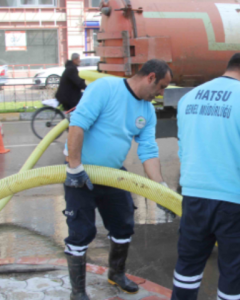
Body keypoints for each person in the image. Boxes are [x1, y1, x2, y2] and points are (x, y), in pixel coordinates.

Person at [171, 53, 240, 300]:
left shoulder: (188, 98)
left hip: (193, 198)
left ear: (229, 68)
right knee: (234, 279)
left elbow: (184, 148)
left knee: (187, 272)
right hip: (235, 203)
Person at [63, 59, 172, 300]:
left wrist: (160, 189)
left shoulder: (147, 111)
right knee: (81, 231)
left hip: (113, 174)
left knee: (123, 223)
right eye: (162, 87)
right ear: (151, 77)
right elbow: (78, 124)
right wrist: (74, 168)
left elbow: (148, 150)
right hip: (80, 173)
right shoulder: (105, 89)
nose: (161, 94)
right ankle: (78, 292)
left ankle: (116, 273)